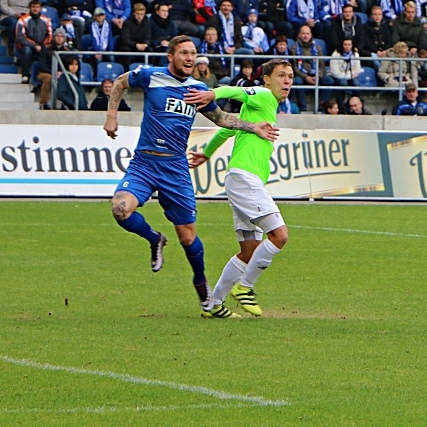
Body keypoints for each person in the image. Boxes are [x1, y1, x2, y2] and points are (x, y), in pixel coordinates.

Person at [102, 36, 278, 318]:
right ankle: (154, 239)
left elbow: (222, 119)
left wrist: (251, 126)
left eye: (193, 53)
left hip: (175, 169)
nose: (189, 58)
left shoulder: (197, 90)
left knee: (187, 238)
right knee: (120, 209)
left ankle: (203, 289)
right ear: (170, 55)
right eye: (184, 52)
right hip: (145, 162)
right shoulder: (151, 76)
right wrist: (112, 115)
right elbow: (121, 82)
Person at [192, 59, 295, 318]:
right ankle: (245, 287)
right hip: (245, 180)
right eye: (281, 76)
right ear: (266, 80)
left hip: (243, 181)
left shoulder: (261, 110)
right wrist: (211, 93)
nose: (287, 81)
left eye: (290, 77)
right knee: (280, 236)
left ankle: (213, 304)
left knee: (249, 251)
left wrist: (206, 153)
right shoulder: (262, 95)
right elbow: (234, 90)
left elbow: (227, 131)